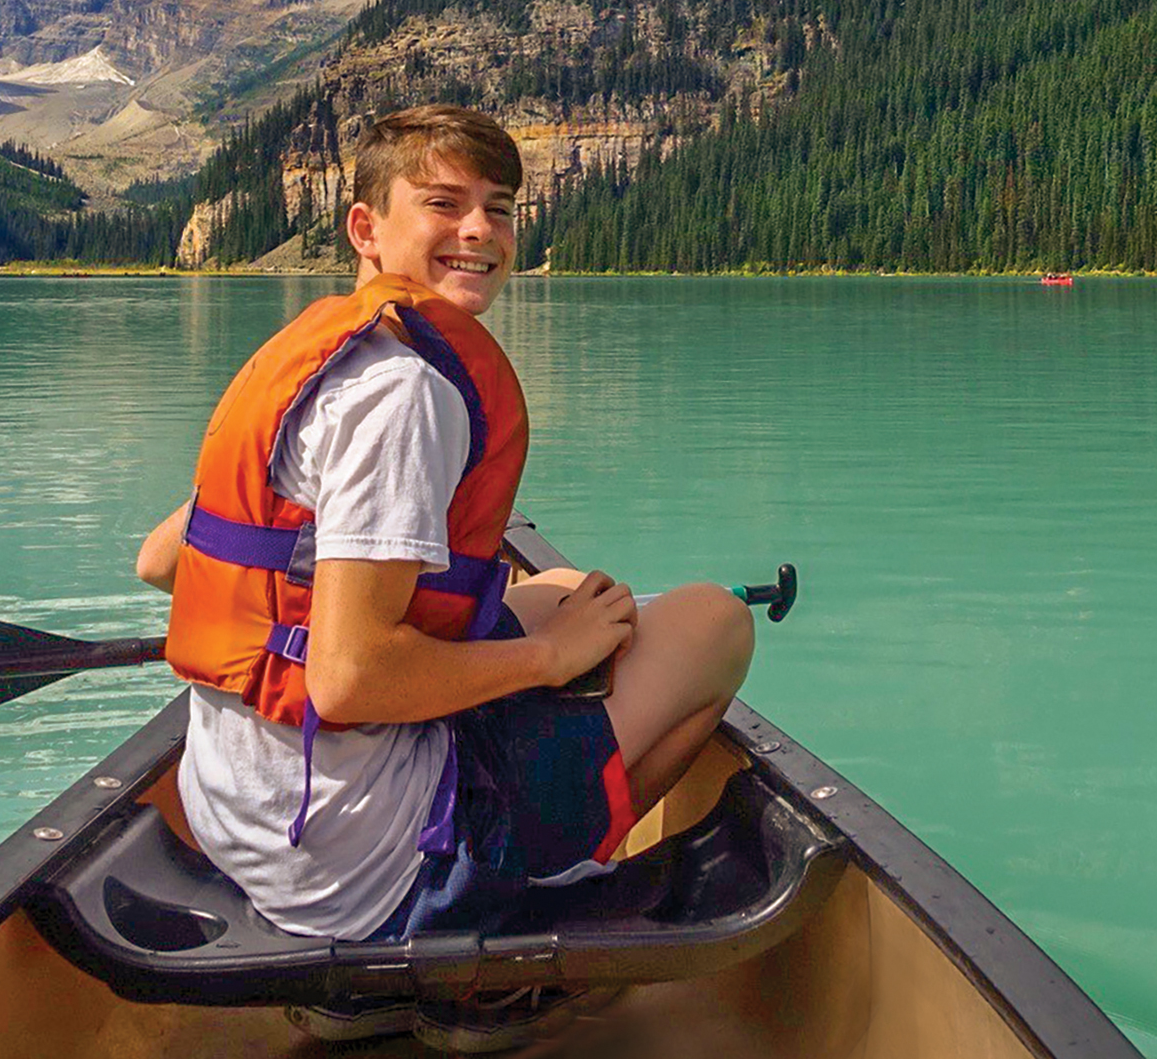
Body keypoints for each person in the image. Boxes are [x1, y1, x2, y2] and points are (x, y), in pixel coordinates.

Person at [134, 103, 755, 1046]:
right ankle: (501, 937)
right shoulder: (404, 394)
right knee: (713, 623)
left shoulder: (316, 359)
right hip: (372, 870)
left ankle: (395, 971)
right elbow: (349, 680)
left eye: (499, 208)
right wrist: (548, 660)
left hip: (242, 821)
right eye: (444, 204)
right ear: (365, 226)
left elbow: (159, 564)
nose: (480, 232)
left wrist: (543, 625)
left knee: (563, 589)